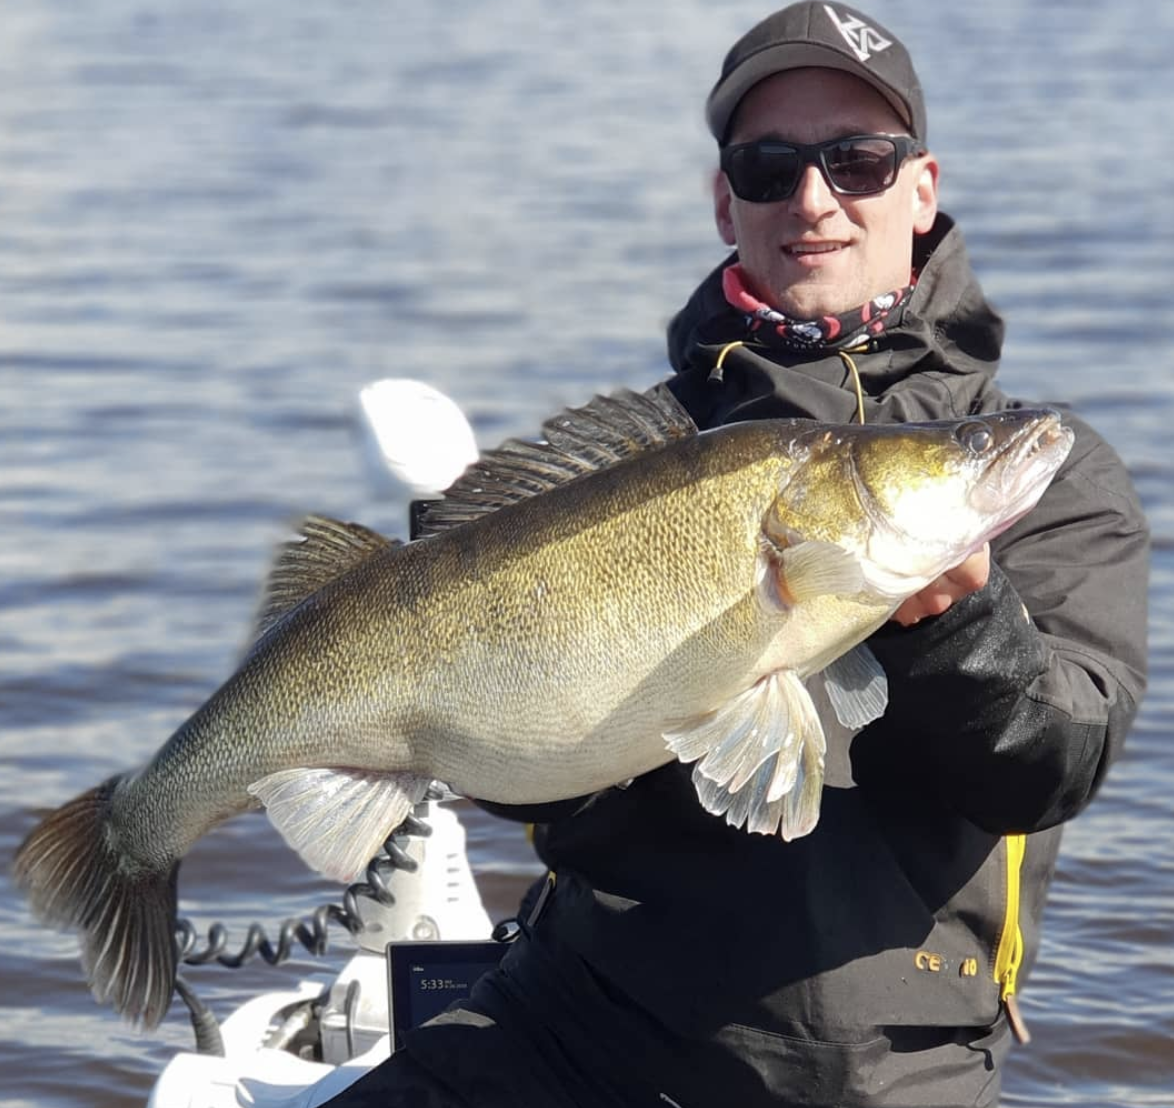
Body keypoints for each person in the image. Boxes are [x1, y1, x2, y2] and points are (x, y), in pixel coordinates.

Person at [328, 4, 1149, 1106]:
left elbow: (1052, 762)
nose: (814, 199)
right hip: (577, 1011)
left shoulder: (1043, 471)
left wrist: (956, 620)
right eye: (770, 167)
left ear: (922, 187)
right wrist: (498, 709)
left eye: (857, 160)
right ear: (726, 200)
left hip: (882, 1065)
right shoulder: (644, 450)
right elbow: (549, 795)